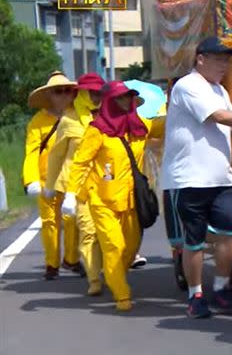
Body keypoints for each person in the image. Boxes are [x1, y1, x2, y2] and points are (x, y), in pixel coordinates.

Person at [160, 36, 232, 318]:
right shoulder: (187, 86)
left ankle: (220, 288)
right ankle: (195, 294)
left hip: (222, 178)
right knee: (193, 241)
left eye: (226, 60)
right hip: (190, 178)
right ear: (201, 59)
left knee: (229, 234)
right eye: (219, 59)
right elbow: (221, 117)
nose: (224, 65)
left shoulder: (219, 89)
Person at [61, 81, 165, 312]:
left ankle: (113, 274)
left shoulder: (139, 127)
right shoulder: (96, 131)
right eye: (121, 98)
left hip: (132, 202)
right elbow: (80, 164)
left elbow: (166, 125)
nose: (127, 101)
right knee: (113, 247)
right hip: (103, 201)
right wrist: (70, 194)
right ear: (109, 101)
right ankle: (122, 295)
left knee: (128, 251)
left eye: (129, 97)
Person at [44, 73, 105, 293]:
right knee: (88, 232)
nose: (97, 96)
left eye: (100, 92)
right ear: (83, 93)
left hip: (105, 185)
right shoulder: (68, 120)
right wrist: (50, 185)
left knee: (109, 234)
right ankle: (94, 279)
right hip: (76, 186)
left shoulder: (107, 116)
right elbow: (56, 156)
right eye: (93, 92)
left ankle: (110, 267)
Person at [23, 71, 81, 280]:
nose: (64, 95)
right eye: (59, 91)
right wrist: (30, 180)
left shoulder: (78, 115)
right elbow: (31, 152)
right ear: (50, 95)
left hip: (71, 177)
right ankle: (52, 263)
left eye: (68, 91)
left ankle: (72, 259)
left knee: (72, 219)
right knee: (49, 222)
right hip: (45, 179)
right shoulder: (38, 122)